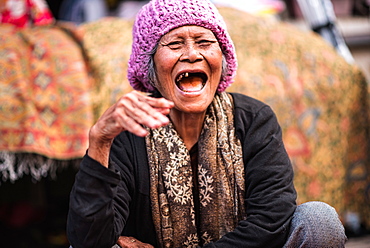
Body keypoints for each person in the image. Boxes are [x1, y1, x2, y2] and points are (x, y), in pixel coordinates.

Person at [66, 0, 347, 247]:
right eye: (174, 44)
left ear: (221, 59)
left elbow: (272, 219)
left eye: (204, 42)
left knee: (318, 221)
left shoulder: (253, 119)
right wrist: (100, 142)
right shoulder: (127, 132)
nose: (191, 54)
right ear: (150, 67)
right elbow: (89, 240)